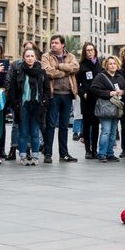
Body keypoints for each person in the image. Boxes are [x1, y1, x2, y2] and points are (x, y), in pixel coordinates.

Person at [42, 35, 79, 163]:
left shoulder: (71, 56)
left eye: (56, 43)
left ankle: (64, 154)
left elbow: (75, 67)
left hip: (68, 94)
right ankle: (48, 154)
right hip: (53, 94)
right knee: (51, 125)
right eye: (52, 43)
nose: (53, 45)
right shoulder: (46, 56)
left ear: (62, 44)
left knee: (64, 126)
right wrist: (65, 72)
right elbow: (47, 71)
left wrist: (60, 66)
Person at [9, 46, 45, 165]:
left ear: (36, 58)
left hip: (36, 105)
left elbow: (47, 89)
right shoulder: (18, 71)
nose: (30, 58)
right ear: (23, 58)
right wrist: (15, 104)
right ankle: (23, 156)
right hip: (23, 105)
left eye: (32, 56)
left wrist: (44, 103)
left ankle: (35, 156)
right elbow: (13, 89)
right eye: (27, 56)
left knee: (35, 132)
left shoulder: (41, 71)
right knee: (23, 132)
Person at [90, 54, 124, 162]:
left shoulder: (119, 77)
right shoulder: (101, 76)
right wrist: (109, 93)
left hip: (116, 107)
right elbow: (94, 89)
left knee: (113, 131)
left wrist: (122, 92)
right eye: (110, 64)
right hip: (105, 107)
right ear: (106, 65)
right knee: (106, 131)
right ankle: (102, 154)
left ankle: (110, 153)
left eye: (114, 63)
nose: (113, 66)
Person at [77, 42, 101, 160]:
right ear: (84, 52)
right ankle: (87, 150)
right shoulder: (81, 65)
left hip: (98, 98)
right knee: (86, 125)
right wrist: (83, 94)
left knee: (96, 125)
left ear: (95, 51)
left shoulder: (100, 64)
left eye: (92, 50)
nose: (90, 52)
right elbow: (77, 84)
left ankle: (95, 150)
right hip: (86, 99)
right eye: (87, 50)